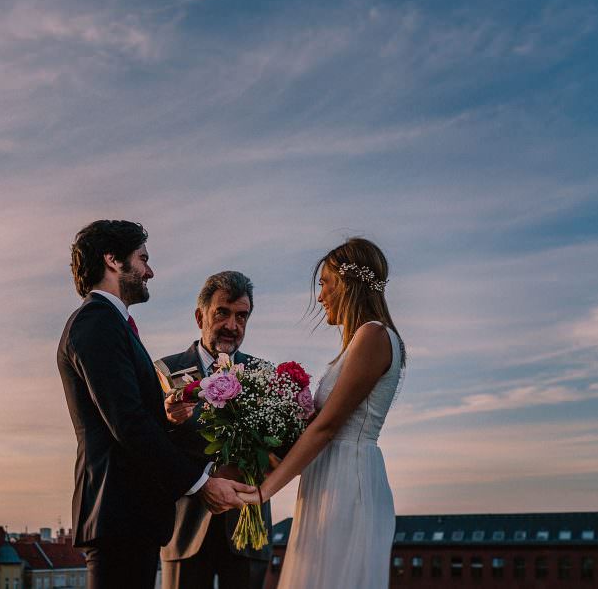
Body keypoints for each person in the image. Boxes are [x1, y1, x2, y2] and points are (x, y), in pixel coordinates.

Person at [56, 220, 256, 589]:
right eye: (143, 258)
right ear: (113, 260)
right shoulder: (96, 323)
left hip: (131, 518)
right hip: (117, 512)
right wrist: (200, 483)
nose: (149, 271)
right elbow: (127, 423)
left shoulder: (112, 324)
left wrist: (168, 418)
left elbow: (133, 415)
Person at [241, 237, 406, 589]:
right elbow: (315, 430)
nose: (320, 296)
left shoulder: (373, 336)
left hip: (350, 480)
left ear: (345, 284)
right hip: (330, 477)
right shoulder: (357, 343)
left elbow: (326, 428)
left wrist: (263, 492)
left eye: (324, 283)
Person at [155, 271, 272, 589]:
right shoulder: (165, 371)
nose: (232, 326)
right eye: (222, 312)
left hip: (249, 529)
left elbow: (279, 447)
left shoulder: (266, 375)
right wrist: (169, 422)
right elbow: (147, 446)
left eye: (241, 316)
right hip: (184, 531)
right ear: (200, 316)